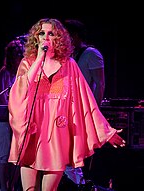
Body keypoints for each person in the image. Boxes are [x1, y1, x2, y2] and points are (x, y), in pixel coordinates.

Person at [7, 18, 125, 191]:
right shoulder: (27, 63)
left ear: (59, 38)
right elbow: (20, 91)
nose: (45, 37)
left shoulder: (69, 65)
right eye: (41, 33)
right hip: (31, 131)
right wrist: (39, 58)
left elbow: (87, 101)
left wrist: (106, 132)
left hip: (56, 134)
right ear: (36, 38)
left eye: (51, 33)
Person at [62, 19, 106, 188]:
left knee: (77, 154)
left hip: (83, 110)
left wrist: (94, 112)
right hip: (66, 110)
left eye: (66, 35)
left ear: (75, 36)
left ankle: (80, 184)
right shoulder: (67, 56)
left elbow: (100, 84)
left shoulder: (91, 54)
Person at [0, 38, 25, 191]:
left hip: (17, 116)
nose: (18, 60)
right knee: (3, 153)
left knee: (17, 154)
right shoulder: (5, 71)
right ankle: (3, 187)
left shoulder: (24, 72)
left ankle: (12, 186)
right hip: (2, 116)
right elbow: (1, 96)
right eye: (15, 57)